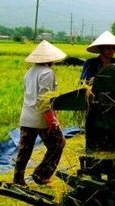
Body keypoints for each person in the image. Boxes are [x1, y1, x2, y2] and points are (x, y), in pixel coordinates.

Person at [13, 40, 67, 186]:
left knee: (24, 149)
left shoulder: (29, 72)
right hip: (41, 117)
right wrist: (52, 121)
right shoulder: (47, 73)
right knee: (58, 143)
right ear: (50, 58)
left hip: (27, 115)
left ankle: (18, 180)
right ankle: (41, 174)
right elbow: (45, 99)